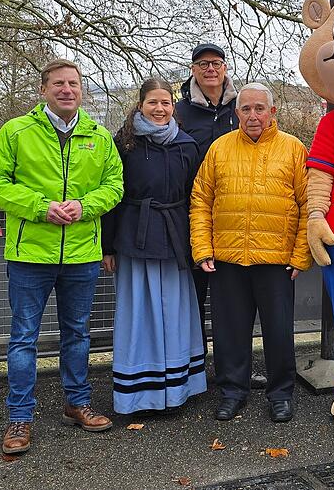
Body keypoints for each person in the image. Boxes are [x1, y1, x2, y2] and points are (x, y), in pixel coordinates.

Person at [0, 58, 123, 455]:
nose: (67, 90)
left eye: (73, 84)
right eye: (58, 83)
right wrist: (41, 206)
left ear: (82, 90)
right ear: (44, 90)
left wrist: (84, 205)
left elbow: (114, 186)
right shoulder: (17, 131)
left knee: (77, 334)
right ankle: (20, 417)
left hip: (81, 254)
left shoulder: (99, 136)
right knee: (24, 337)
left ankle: (76, 404)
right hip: (30, 254)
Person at [189, 82, 311, 422]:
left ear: (272, 112)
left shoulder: (293, 149)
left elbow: (308, 204)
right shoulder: (219, 148)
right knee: (229, 332)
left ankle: (281, 393)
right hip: (227, 258)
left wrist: (301, 255)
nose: (253, 115)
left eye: (260, 109)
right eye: (246, 109)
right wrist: (202, 247)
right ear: (236, 112)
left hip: (276, 260)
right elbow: (200, 201)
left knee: (278, 330)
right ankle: (232, 391)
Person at [101, 78, 207, 414]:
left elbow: (197, 198)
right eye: (153, 103)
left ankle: (178, 388)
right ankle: (139, 393)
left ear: (173, 106)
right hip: (135, 235)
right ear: (141, 104)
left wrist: (200, 243)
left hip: (176, 236)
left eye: (165, 103)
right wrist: (108, 246)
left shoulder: (187, 146)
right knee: (139, 311)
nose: (160, 109)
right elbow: (112, 196)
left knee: (175, 310)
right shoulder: (124, 144)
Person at [175, 43, 238, 355]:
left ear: (225, 67)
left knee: (232, 302)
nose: (210, 69)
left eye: (215, 63)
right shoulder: (178, 112)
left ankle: (232, 368)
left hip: (234, 218)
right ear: (193, 70)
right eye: (202, 64)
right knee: (193, 298)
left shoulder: (241, 109)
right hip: (193, 217)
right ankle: (196, 367)